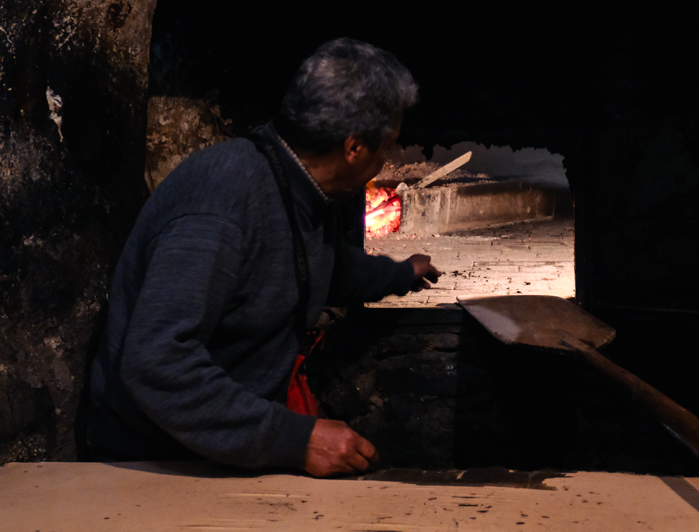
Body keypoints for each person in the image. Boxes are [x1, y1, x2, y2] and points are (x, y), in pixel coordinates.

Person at [86, 38, 440, 477]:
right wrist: (295, 439)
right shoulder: (222, 200)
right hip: (158, 454)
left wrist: (401, 273)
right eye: (386, 146)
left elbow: (319, 268)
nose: (386, 159)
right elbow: (157, 360)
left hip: (226, 439)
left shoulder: (302, 185)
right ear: (353, 148)